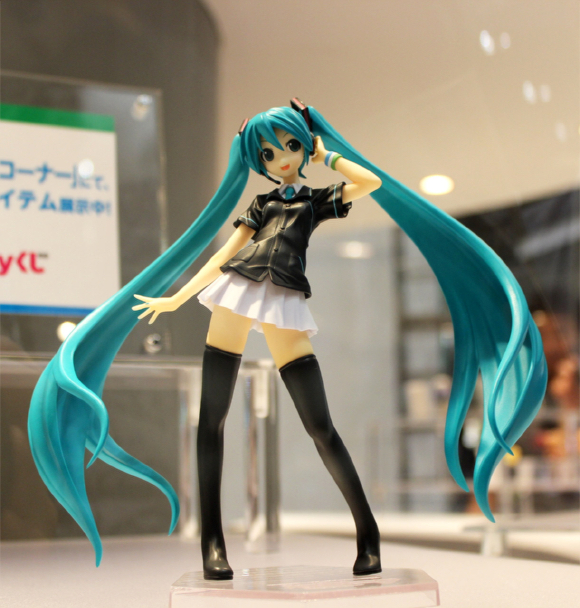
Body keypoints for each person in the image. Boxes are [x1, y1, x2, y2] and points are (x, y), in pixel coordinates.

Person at [28, 99, 547, 579]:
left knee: (320, 427)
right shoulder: (260, 204)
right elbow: (220, 255)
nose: (280, 159)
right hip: (235, 291)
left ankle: (368, 533)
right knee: (212, 421)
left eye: (290, 146)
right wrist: (177, 298)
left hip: (283, 301)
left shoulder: (316, 201)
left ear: (303, 146)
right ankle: (212, 543)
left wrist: (326, 152)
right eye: (268, 153)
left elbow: (368, 182)